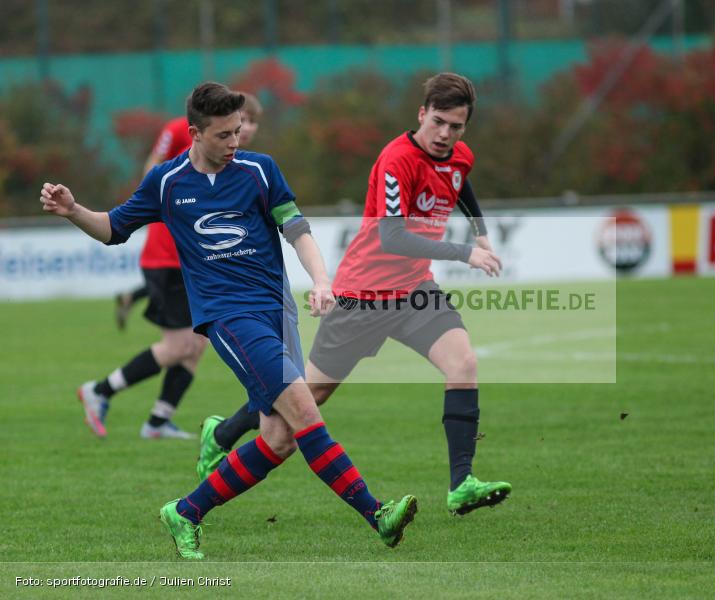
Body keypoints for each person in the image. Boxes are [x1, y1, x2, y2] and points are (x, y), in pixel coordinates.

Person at [40, 82, 417, 559]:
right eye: (224, 135)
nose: (235, 142)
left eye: (238, 131)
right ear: (195, 134)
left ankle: (186, 512)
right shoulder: (168, 182)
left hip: (276, 314)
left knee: (278, 440)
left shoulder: (260, 171)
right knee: (306, 415)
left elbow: (296, 228)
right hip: (228, 318)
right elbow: (114, 229)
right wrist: (73, 210)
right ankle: (377, 514)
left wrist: (322, 279)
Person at [198, 72, 511, 516]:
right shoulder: (396, 159)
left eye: (455, 127)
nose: (445, 134)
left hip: (416, 290)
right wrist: (465, 252)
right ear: (422, 114)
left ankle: (461, 483)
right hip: (363, 295)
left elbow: (461, 181)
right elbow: (392, 238)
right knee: (305, 397)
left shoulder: (460, 156)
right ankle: (225, 432)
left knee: (463, 363)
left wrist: (480, 233)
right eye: (438, 121)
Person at [80, 94, 264, 440]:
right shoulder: (181, 137)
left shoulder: (240, 165)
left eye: (248, 125)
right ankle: (100, 390)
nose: (246, 131)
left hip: (191, 263)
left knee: (197, 344)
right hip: (166, 258)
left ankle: (159, 420)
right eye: (243, 122)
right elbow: (154, 171)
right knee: (181, 345)